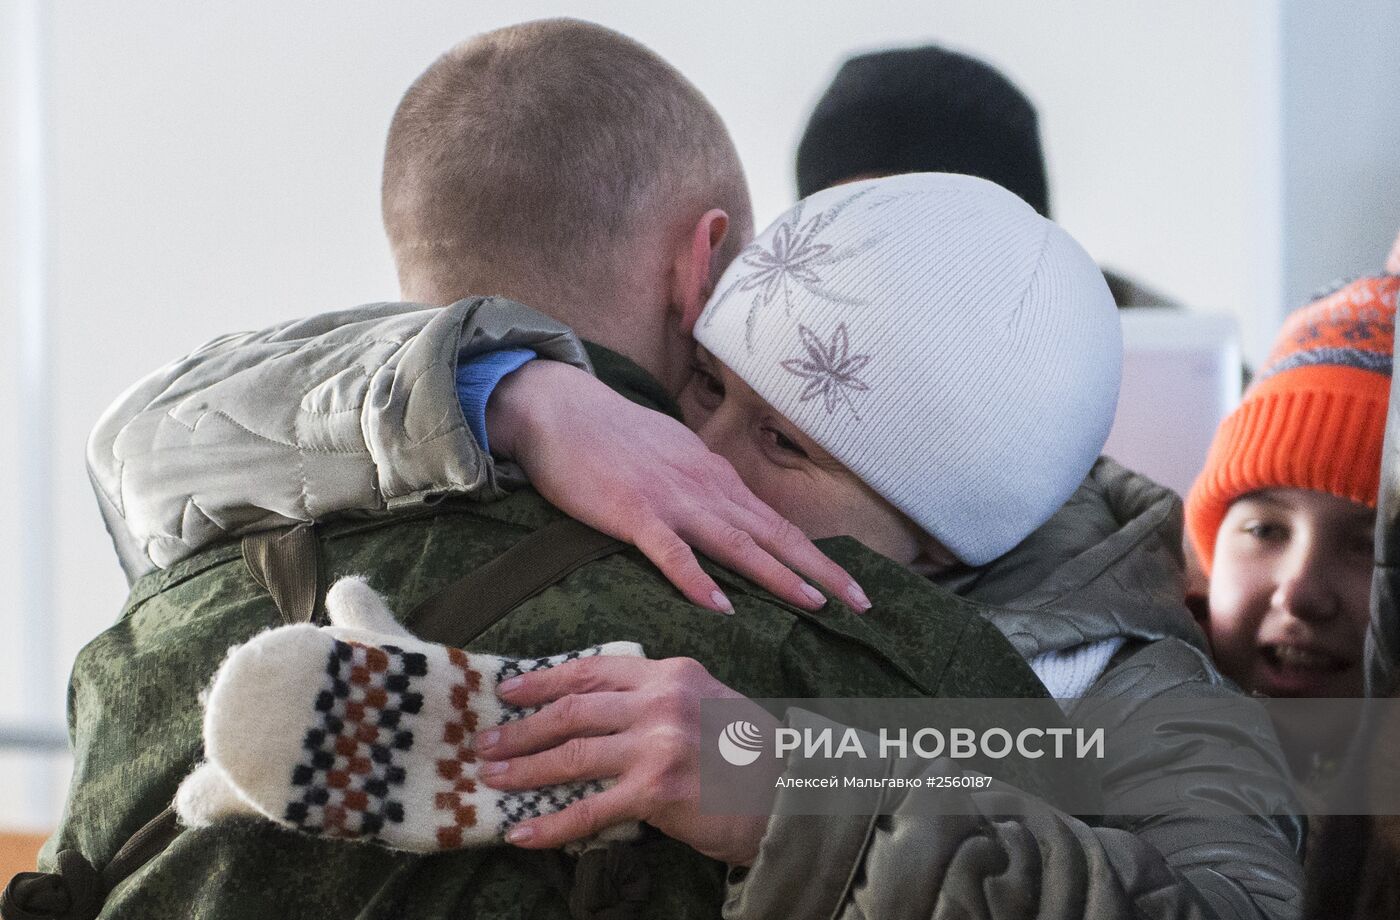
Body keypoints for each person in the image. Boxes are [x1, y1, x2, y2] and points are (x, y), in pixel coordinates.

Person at [87, 158, 1304, 920]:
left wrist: (797, 792)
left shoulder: (1141, 697)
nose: (693, 457)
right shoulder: (604, 451)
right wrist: (521, 396)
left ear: (941, 544)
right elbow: (148, 443)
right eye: (703, 386)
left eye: (786, 445)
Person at [35, 20, 1063, 920]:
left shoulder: (164, 596)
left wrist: (509, 393)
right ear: (704, 263)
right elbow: (1080, 823)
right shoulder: (844, 628)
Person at [795, 43, 1178, 309]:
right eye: (854, 230)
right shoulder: (762, 354)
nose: (896, 268)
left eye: (933, 229)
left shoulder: (1151, 347)